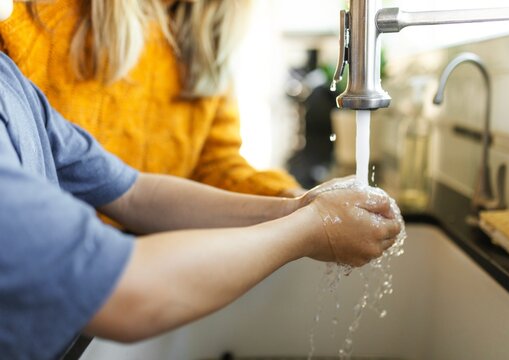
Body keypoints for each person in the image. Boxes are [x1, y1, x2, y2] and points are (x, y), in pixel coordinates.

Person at [0, 1, 401, 358]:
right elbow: (123, 290)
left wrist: (297, 207)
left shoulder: (14, 88)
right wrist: (312, 228)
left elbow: (136, 192)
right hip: (107, 282)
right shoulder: (36, 27)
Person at [0, 0, 304, 198]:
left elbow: (215, 166)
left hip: (153, 265)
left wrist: (291, 200)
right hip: (56, 261)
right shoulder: (40, 16)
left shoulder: (205, 40)